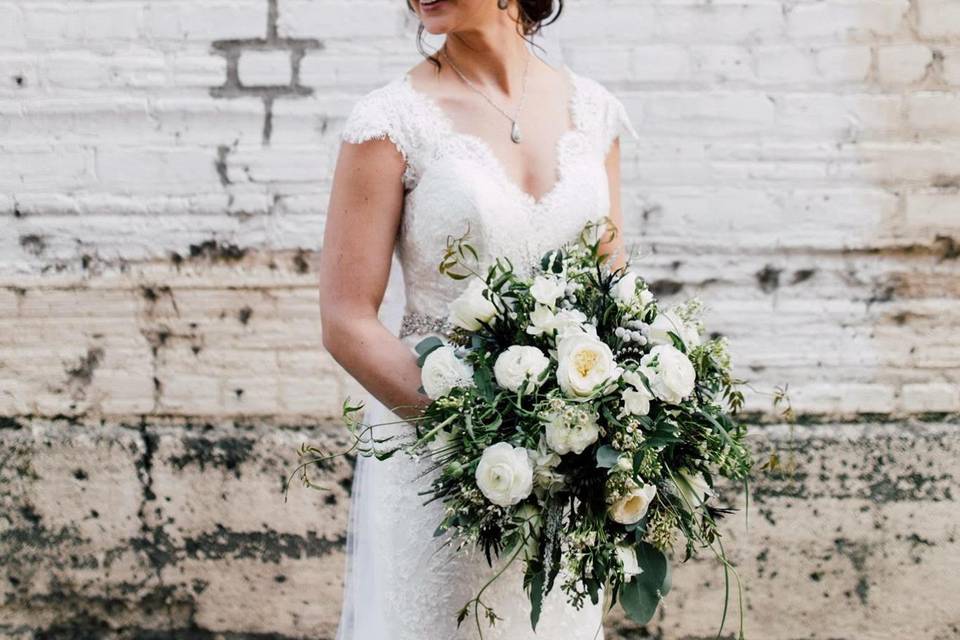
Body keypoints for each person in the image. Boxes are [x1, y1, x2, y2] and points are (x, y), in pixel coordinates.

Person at [319, 1, 638, 637]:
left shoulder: (595, 112)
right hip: (441, 464)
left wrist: (624, 419)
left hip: (567, 462)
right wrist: (478, 435)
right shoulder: (389, 122)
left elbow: (613, 290)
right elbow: (346, 319)